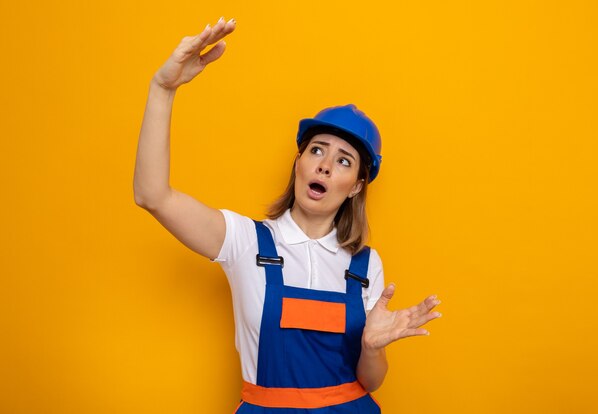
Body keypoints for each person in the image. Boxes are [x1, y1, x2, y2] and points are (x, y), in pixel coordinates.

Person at [133, 16, 443, 413]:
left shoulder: (365, 265)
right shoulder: (244, 242)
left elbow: (371, 380)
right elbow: (152, 195)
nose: (325, 165)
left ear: (357, 186)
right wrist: (163, 88)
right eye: (317, 150)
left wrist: (371, 347)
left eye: (343, 160)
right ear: (298, 163)